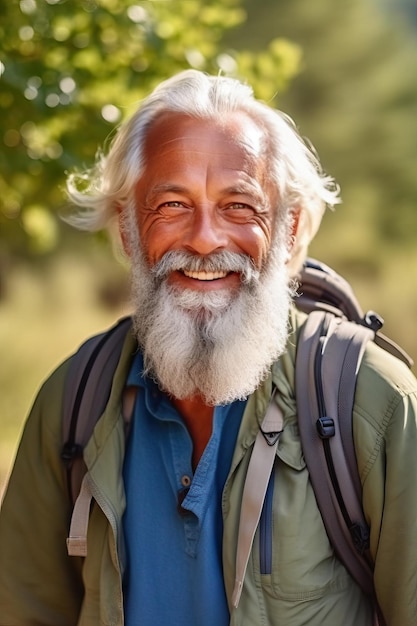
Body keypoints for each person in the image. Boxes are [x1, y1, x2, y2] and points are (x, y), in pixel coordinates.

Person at [0, 69, 416, 626]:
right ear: (127, 230)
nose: (203, 238)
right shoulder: (74, 401)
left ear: (290, 230)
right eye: (171, 205)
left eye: (239, 206)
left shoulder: (372, 403)